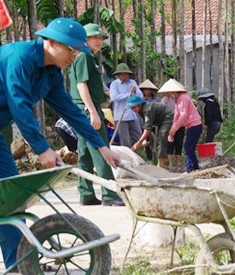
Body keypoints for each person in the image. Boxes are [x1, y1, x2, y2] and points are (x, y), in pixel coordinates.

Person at [0, 18, 122, 275]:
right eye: (71, 50)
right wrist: (42, 149)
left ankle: (17, 261)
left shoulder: (51, 74)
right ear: (50, 42)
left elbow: (70, 112)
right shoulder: (18, 57)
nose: (74, 57)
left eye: (77, 52)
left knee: (11, 193)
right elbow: (18, 104)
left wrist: (101, 147)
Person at [69, 23, 124, 207]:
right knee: (101, 149)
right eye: (95, 37)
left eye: (101, 38)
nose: (99, 41)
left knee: (84, 153)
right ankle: (109, 194)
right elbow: (81, 85)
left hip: (80, 110)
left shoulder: (81, 56)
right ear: (85, 39)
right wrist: (93, 111)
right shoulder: (84, 56)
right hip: (87, 109)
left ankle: (86, 193)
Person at [159, 79, 203, 173]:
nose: (168, 95)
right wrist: (172, 129)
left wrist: (174, 129)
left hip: (195, 125)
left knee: (188, 148)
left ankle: (191, 169)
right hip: (191, 126)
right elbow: (176, 115)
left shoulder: (183, 98)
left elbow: (183, 115)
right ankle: (195, 168)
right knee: (189, 148)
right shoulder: (178, 100)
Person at [129, 94, 174, 168]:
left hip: (168, 117)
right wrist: (143, 141)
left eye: (133, 107)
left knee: (162, 137)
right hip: (159, 121)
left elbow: (148, 129)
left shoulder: (147, 109)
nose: (133, 110)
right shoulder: (141, 111)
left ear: (139, 105)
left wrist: (139, 142)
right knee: (155, 140)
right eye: (131, 108)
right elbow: (146, 125)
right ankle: (157, 161)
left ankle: (161, 164)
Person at [109, 63, 141, 147]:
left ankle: (134, 154)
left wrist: (134, 92)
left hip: (133, 115)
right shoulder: (114, 84)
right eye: (121, 74)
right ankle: (127, 158)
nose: (123, 76)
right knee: (125, 141)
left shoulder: (133, 82)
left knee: (138, 138)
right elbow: (113, 97)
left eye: (124, 74)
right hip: (121, 117)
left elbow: (140, 96)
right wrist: (127, 94)